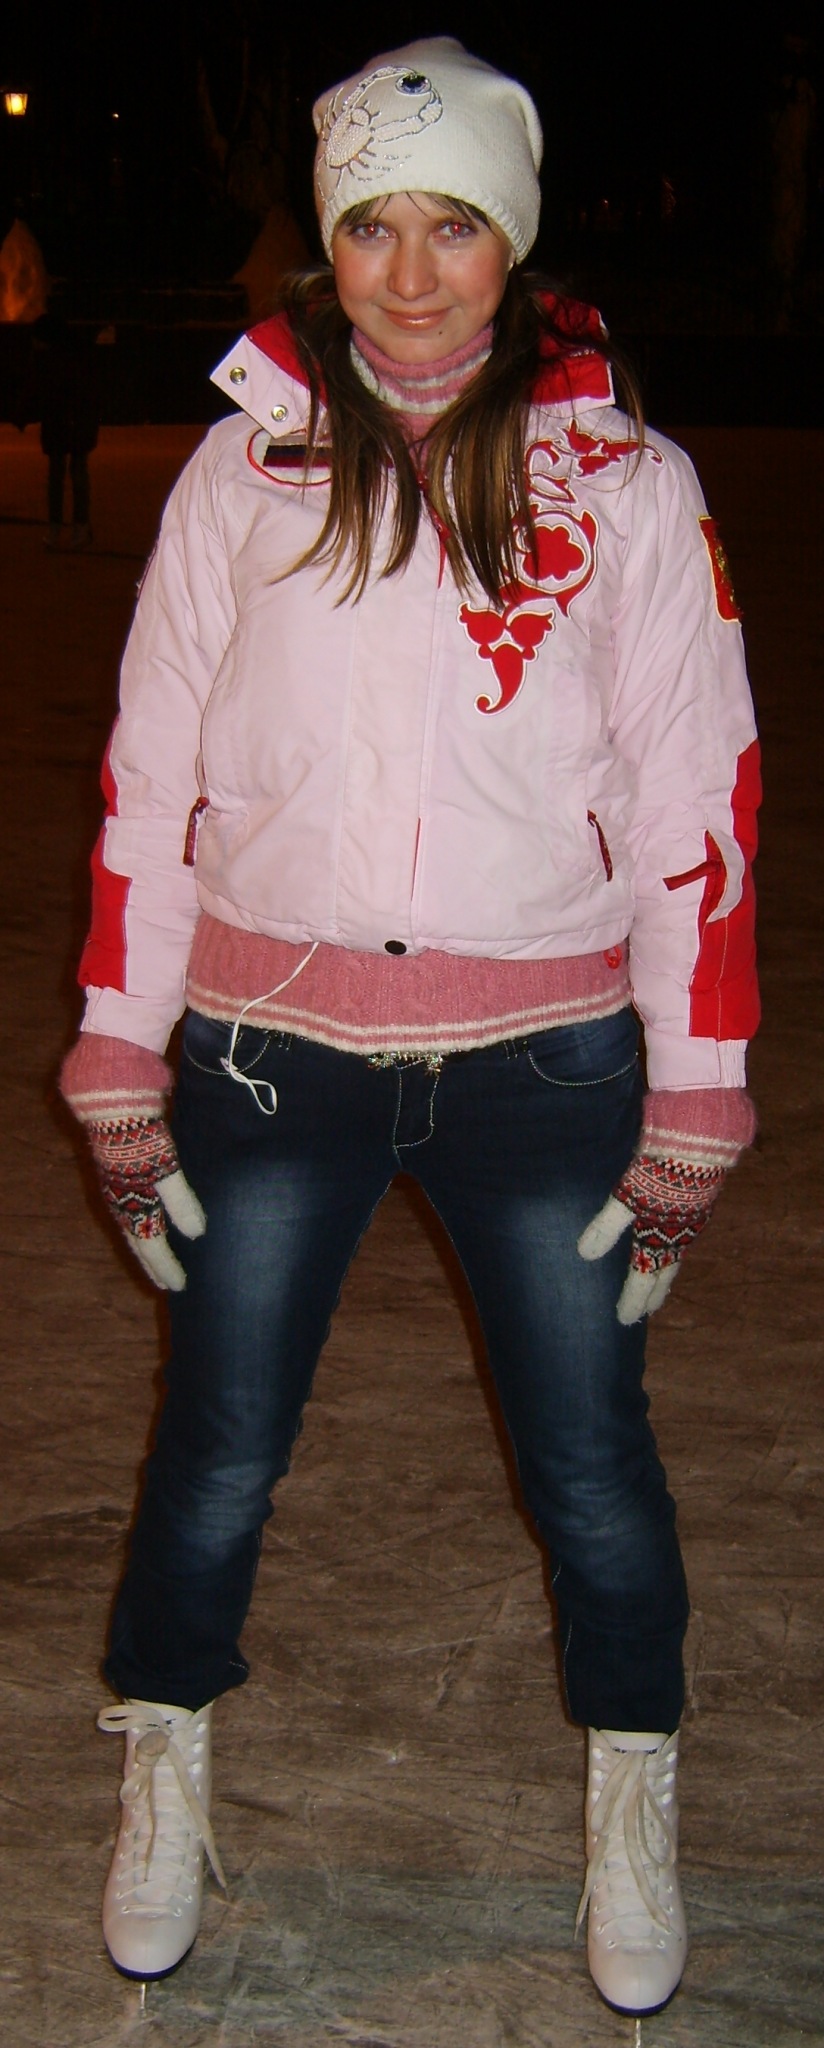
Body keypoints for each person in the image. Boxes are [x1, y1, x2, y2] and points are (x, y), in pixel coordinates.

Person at [60, 38, 760, 2021]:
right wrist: (118, 1043)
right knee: (214, 1453)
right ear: (328, 245)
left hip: (544, 1062)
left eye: (455, 225)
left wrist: (696, 1087)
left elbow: (699, 788)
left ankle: (631, 1791)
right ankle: (166, 1767)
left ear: (514, 243)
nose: (413, 271)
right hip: (266, 1051)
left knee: (591, 1467)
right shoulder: (243, 468)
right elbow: (152, 771)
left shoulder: (627, 484)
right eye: (374, 226)